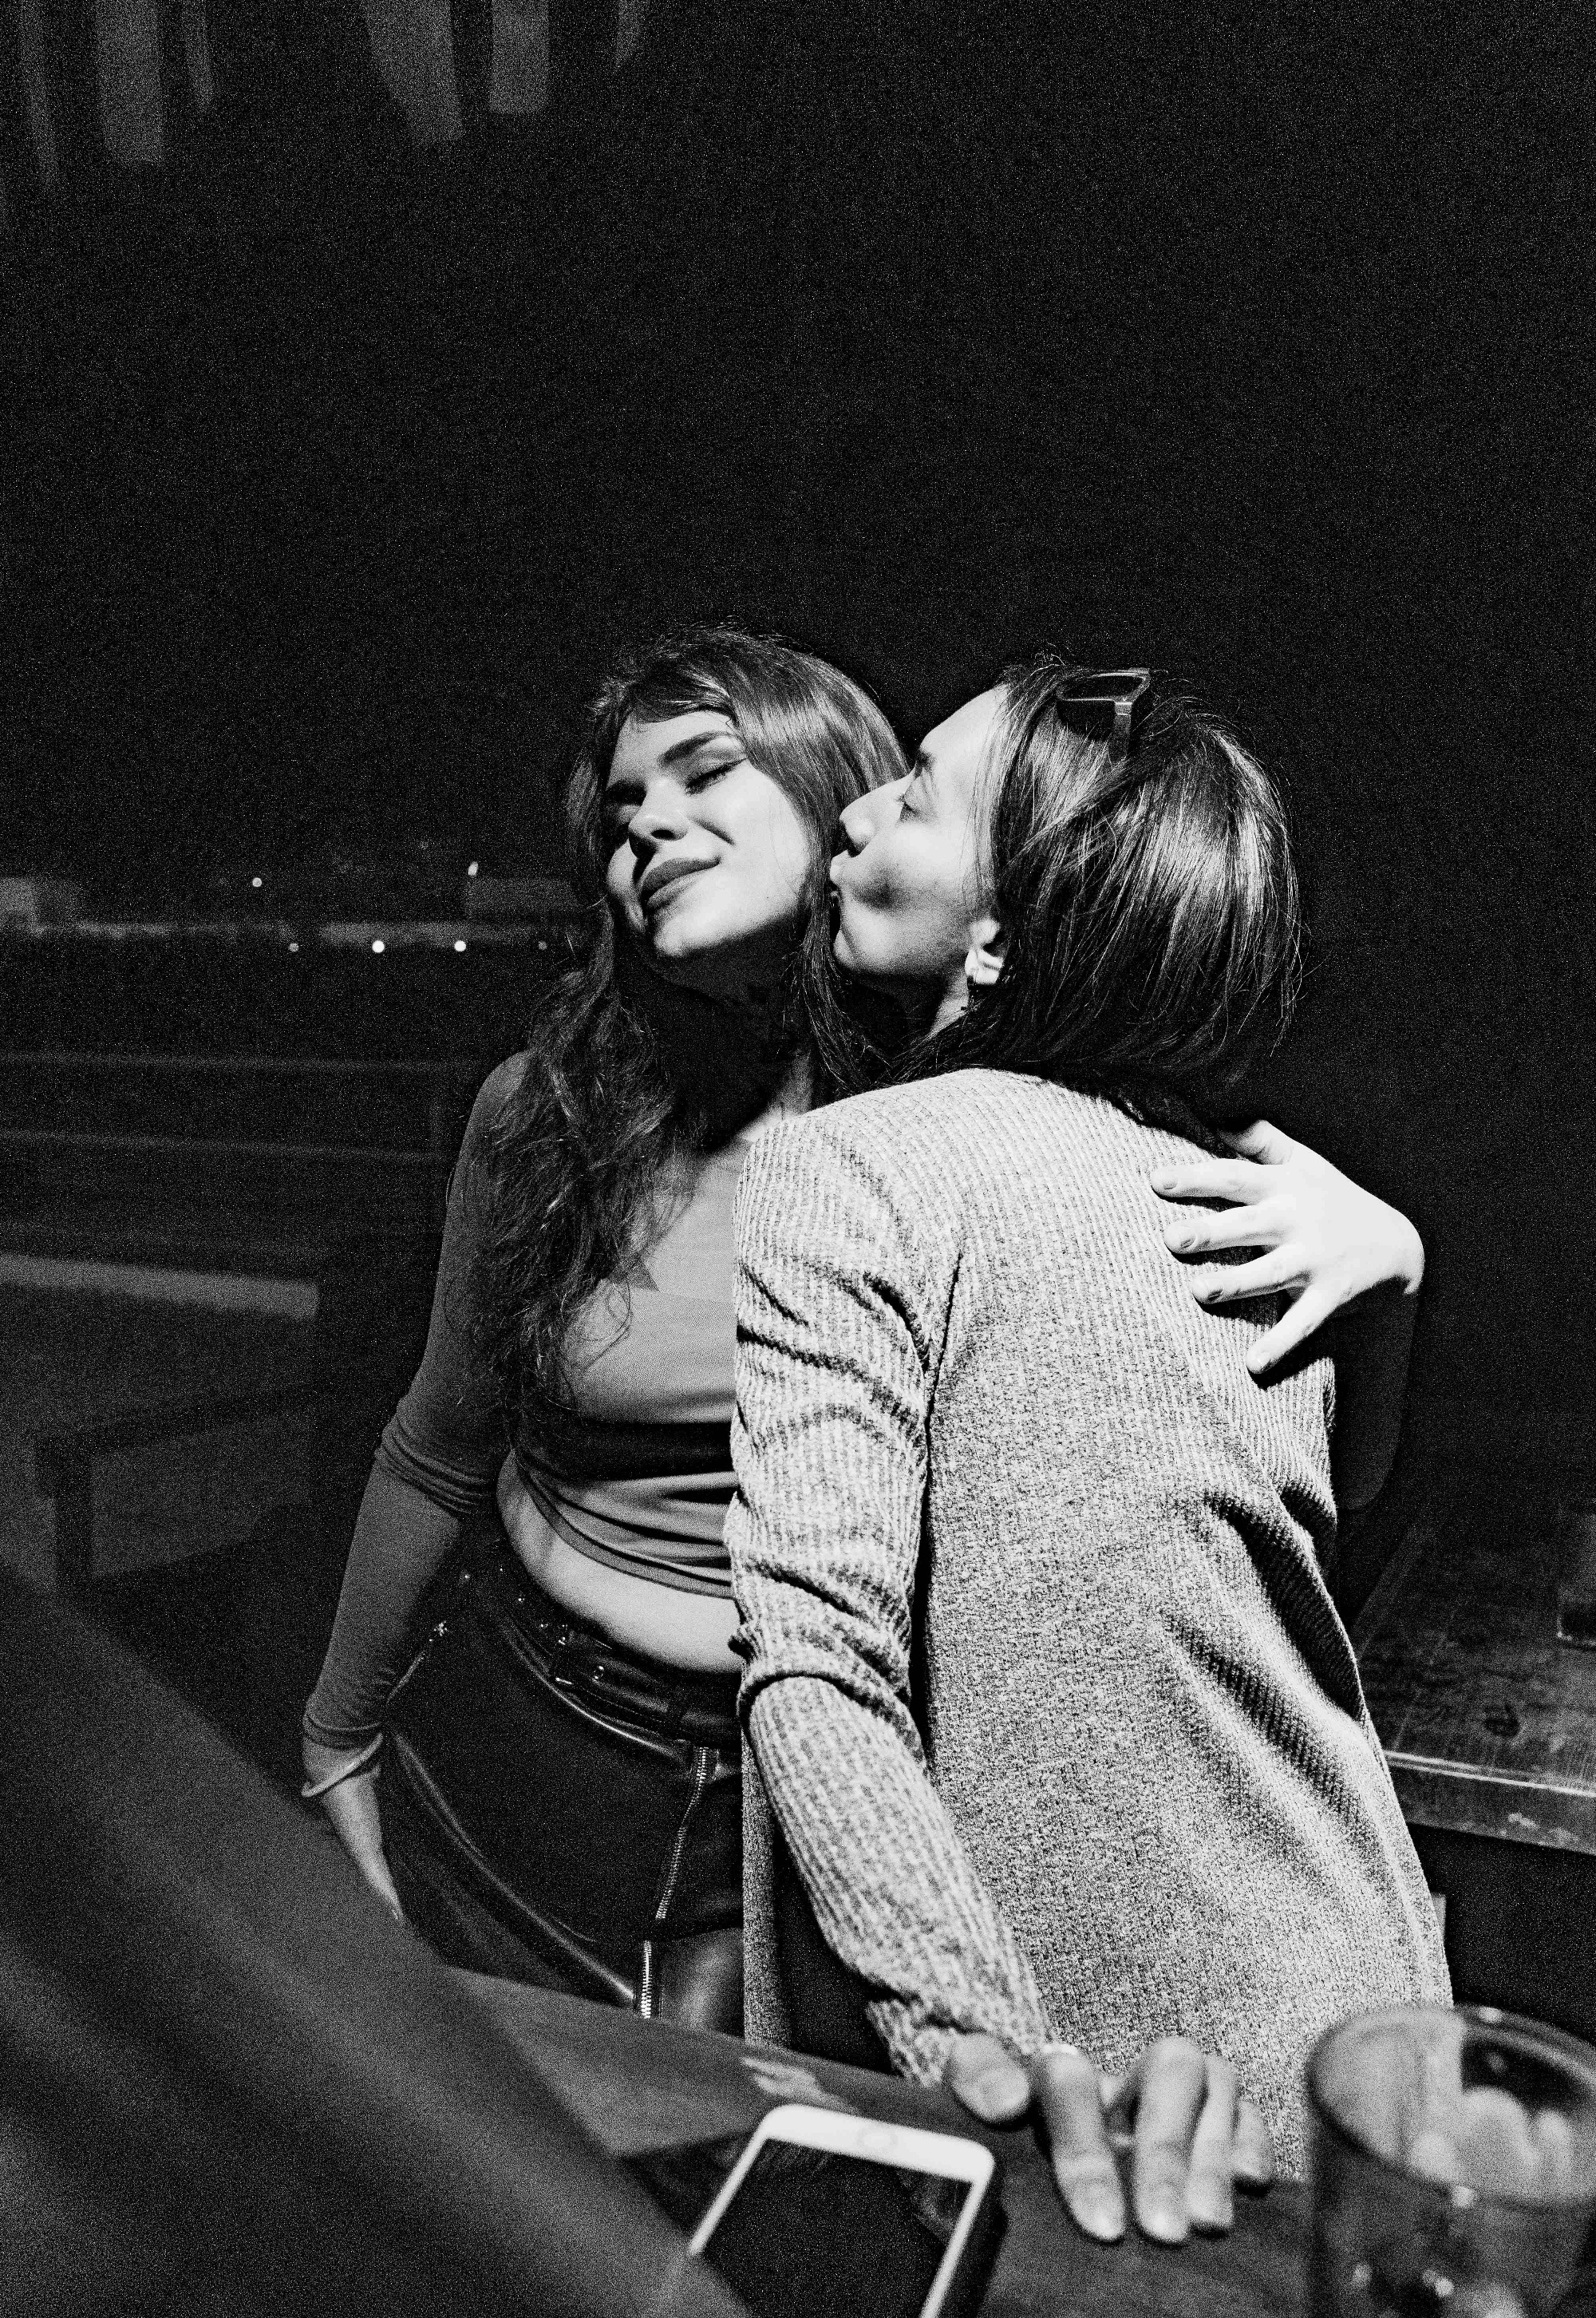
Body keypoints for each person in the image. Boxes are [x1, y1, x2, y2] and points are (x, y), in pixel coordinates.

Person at [302, 627, 1427, 2219]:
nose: (647, 826)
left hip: (790, 1822)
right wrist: (335, 1727)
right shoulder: (546, 1119)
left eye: (707, 773)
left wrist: (1390, 1265)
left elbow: (1231, 1497)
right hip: (534, 1745)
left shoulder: (949, 1124)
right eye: (619, 811)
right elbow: (437, 1440)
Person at [726, 660, 1451, 2219]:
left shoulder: (847, 1171)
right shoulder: (1253, 1198)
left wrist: (980, 2057)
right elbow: (1319, 1527)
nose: (855, 813)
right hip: (1372, 2040)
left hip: (1124, 2108)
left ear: (999, 934)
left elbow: (817, 1664)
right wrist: (1394, 1273)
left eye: (917, 795)